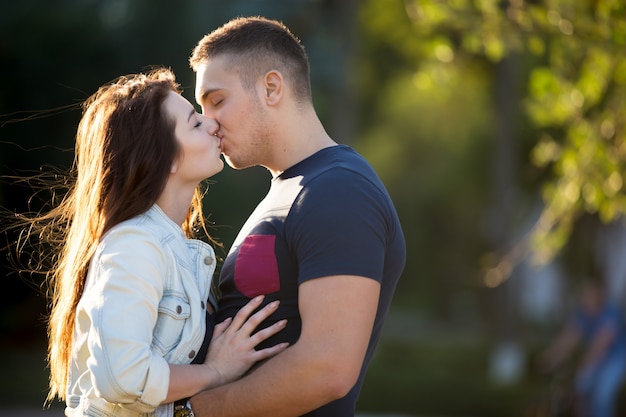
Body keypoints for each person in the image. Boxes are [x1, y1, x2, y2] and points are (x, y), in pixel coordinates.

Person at [11, 68, 289, 417]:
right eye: (194, 123)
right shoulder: (135, 246)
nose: (212, 123)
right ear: (165, 158)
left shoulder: (165, 246)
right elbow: (123, 379)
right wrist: (215, 372)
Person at [187, 16, 406, 417]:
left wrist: (193, 411)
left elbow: (328, 368)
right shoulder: (289, 189)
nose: (209, 122)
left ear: (271, 87)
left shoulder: (339, 189)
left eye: (217, 101)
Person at [538, 277, 626, 417]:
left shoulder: (611, 312)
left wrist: (583, 364)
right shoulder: (582, 314)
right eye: (583, 294)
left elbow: (602, 344)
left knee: (602, 393)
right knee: (580, 390)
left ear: (598, 295)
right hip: (595, 359)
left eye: (587, 294)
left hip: (617, 358)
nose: (583, 298)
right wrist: (550, 357)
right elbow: (568, 338)